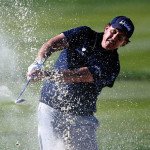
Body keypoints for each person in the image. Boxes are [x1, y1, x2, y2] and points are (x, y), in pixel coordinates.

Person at [27, 16, 134, 150]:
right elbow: (53, 43)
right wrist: (38, 63)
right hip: (50, 106)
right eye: (113, 31)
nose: (114, 37)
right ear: (107, 28)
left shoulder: (112, 65)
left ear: (123, 43)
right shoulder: (84, 34)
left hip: (81, 116)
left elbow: (79, 76)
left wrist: (45, 74)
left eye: (120, 37)